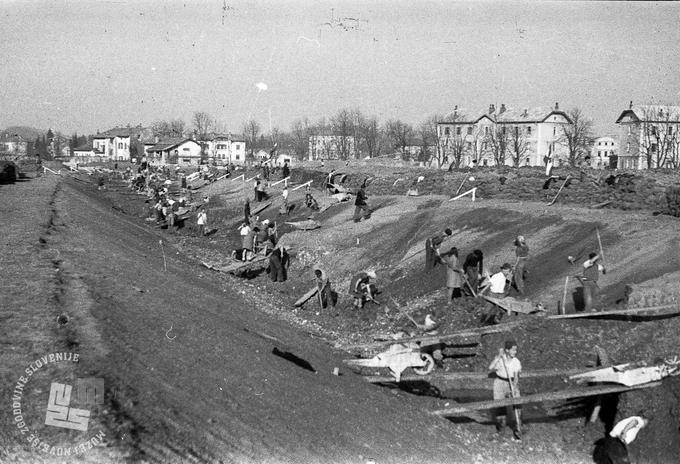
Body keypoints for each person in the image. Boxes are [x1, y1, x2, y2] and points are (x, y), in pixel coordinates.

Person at [488, 340, 522, 441]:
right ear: (507, 350)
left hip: (511, 383)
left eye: (516, 350)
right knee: (500, 407)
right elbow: (490, 368)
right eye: (513, 350)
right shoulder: (500, 359)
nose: (515, 352)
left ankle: (518, 432)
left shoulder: (516, 361)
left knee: (517, 407)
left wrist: (514, 387)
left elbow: (516, 377)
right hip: (499, 383)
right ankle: (500, 431)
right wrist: (499, 356)